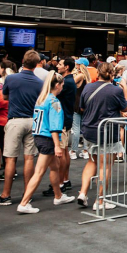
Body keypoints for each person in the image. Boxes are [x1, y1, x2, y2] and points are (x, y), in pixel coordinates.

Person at [0, 50, 43, 206]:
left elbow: (5, 97)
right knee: (29, 158)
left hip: (15, 120)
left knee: (10, 158)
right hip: (32, 121)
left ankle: (6, 194)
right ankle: (27, 193)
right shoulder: (40, 83)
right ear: (37, 64)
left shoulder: (11, 79)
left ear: (23, 61)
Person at [17, 72, 76, 213]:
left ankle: (58, 195)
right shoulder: (54, 102)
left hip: (39, 136)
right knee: (39, 172)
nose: (62, 87)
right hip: (47, 139)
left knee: (54, 167)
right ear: (57, 85)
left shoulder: (42, 99)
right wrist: (57, 145)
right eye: (62, 85)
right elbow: (55, 127)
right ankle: (24, 203)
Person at [77, 62, 127, 210]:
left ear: (98, 73)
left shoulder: (87, 87)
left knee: (92, 162)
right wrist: (124, 89)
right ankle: (99, 201)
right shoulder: (115, 91)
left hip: (89, 129)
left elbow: (82, 107)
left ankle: (83, 193)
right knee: (105, 166)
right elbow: (125, 107)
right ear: (112, 74)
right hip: (107, 131)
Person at [42, 57, 76, 196]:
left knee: (61, 153)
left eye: (61, 64)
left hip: (62, 121)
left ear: (67, 67)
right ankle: (65, 180)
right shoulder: (70, 81)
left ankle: (60, 183)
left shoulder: (66, 83)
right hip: (67, 118)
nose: (58, 66)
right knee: (65, 151)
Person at [70, 58, 90, 160]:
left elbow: (71, 83)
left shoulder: (80, 75)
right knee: (84, 127)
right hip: (85, 103)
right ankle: (85, 151)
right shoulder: (87, 76)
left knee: (76, 128)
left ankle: (73, 151)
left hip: (77, 103)